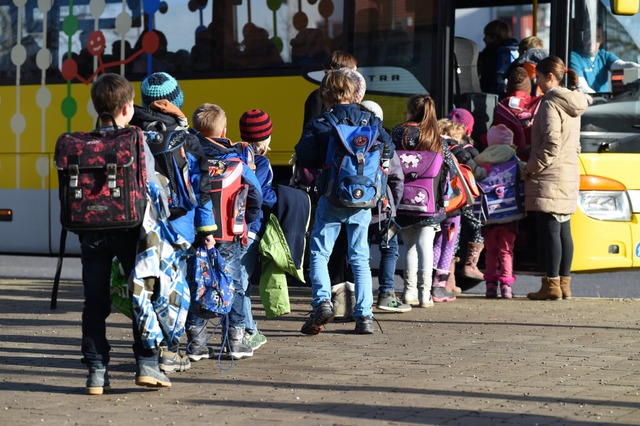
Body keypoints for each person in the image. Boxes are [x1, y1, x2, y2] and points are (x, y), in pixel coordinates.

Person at [81, 73, 171, 394]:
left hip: (91, 231)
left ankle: (96, 371)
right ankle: (146, 363)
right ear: (127, 108)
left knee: (95, 302)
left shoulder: (82, 143)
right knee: (141, 294)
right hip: (128, 228)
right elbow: (150, 185)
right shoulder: (135, 139)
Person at [130, 71, 217, 371]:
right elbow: (201, 188)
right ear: (175, 100)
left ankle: (146, 349)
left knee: (145, 286)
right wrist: (206, 228)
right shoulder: (187, 138)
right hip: (178, 226)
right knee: (173, 288)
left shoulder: (131, 133)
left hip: (140, 224)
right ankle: (170, 349)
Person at [295, 69, 392, 334]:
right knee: (360, 257)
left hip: (332, 196)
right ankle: (365, 317)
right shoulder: (370, 120)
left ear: (325, 95)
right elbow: (388, 148)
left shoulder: (322, 122)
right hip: (364, 199)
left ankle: (323, 303)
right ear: (354, 93)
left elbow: (304, 155)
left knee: (319, 252)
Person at [189, 103, 263, 358]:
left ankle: (196, 343)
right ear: (224, 130)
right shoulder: (235, 161)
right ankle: (234, 340)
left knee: (197, 282)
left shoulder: (189, 158)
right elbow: (256, 195)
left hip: (196, 234)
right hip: (229, 235)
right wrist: (246, 222)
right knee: (233, 284)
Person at [523, 56, 589, 300]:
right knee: (563, 229)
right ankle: (564, 284)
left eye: (538, 77)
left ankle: (551, 285)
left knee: (550, 228)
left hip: (549, 174)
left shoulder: (551, 102)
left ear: (549, 77)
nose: (537, 83)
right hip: (568, 171)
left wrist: (531, 167)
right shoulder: (574, 102)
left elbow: (551, 144)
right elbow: (575, 143)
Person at [393, 95, 453, 307]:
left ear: (410, 111)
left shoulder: (398, 132)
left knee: (408, 246)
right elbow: (451, 169)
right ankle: (425, 295)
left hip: (401, 200)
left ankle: (408, 292)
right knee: (425, 246)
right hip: (429, 202)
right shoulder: (435, 137)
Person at [361, 100, 410, 313]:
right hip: (384, 211)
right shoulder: (385, 143)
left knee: (357, 252)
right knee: (390, 249)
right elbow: (397, 179)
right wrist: (393, 204)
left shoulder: (350, 139)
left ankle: (356, 295)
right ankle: (386, 294)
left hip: (357, 209)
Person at [237, 108, 277, 349]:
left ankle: (244, 327)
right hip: (250, 229)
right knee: (242, 281)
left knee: (238, 279)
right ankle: (247, 329)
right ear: (266, 139)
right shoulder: (261, 163)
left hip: (231, 227)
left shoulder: (232, 155)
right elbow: (263, 196)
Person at [474, 124, 523, 299]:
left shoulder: (481, 161)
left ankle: (490, 286)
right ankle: (506, 287)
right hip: (509, 214)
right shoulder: (515, 161)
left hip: (487, 215)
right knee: (506, 251)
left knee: (491, 251)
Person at [445, 108, 486, 283]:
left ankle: (449, 278)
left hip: (446, 198)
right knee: (479, 225)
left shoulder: (439, 145)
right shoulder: (466, 150)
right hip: (465, 198)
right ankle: (471, 264)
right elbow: (478, 172)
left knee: (452, 235)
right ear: (468, 129)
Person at [570, 26, 640, 94]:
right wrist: (596, 98)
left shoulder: (604, 56)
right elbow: (581, 85)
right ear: (583, 38)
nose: (592, 42)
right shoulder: (574, 57)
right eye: (589, 36)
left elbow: (622, 65)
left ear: (602, 40)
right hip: (588, 102)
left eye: (597, 37)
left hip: (604, 103)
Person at [494, 66, 543, 160]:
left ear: (508, 87)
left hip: (509, 162)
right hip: (534, 160)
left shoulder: (501, 107)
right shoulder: (539, 103)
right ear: (528, 87)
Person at [303, 50, 358, 127]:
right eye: (353, 73)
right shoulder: (318, 96)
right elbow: (311, 127)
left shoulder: (351, 94)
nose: (357, 78)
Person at [478, 19, 519, 95]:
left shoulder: (490, 53)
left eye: (487, 35)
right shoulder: (514, 51)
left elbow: (486, 80)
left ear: (495, 36)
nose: (484, 39)